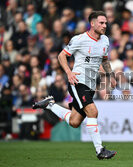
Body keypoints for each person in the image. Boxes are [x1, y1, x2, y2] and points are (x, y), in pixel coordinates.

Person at [32, 11, 117, 159]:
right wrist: (69, 72)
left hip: (90, 85)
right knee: (93, 112)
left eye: (105, 23)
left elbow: (104, 60)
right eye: (101, 23)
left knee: (74, 121)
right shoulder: (79, 39)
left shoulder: (105, 41)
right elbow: (62, 55)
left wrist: (111, 75)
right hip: (77, 82)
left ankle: (49, 105)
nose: (105, 25)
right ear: (92, 23)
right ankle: (100, 150)